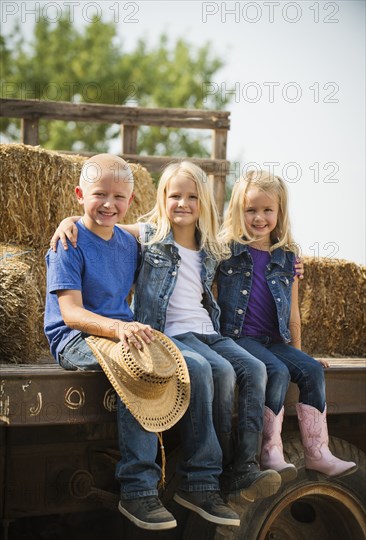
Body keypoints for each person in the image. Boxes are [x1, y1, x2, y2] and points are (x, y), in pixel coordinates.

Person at [51, 160, 283, 505]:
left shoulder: (208, 247)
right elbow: (100, 231)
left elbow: (254, 245)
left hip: (192, 331)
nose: (183, 203)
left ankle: (240, 469)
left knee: (255, 369)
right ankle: (168, 484)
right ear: (162, 199)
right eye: (175, 196)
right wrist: (69, 220)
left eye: (192, 197)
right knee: (201, 370)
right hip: (150, 333)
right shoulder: (145, 237)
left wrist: (289, 258)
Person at [217, 169, 357, 479]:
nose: (259, 218)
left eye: (267, 210)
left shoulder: (287, 256)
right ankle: (271, 449)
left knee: (311, 370)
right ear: (238, 210)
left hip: (275, 340)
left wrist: (300, 353)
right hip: (240, 339)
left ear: (280, 212)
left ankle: (318, 451)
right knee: (276, 370)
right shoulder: (225, 251)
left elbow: (293, 313)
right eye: (250, 209)